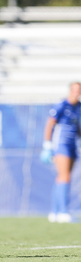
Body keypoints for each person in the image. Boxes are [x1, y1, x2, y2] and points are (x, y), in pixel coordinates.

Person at [40, 82, 81, 223]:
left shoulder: (79, 107)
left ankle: (55, 212)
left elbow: (77, 127)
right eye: (75, 90)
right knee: (65, 175)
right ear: (70, 90)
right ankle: (63, 212)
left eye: (79, 90)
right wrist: (47, 145)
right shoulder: (62, 105)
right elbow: (50, 123)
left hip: (72, 145)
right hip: (61, 144)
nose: (77, 92)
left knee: (62, 177)